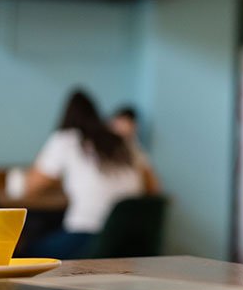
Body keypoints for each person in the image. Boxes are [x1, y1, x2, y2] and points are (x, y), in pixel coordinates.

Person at [21, 88, 160, 259]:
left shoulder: (67, 138)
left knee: (26, 251)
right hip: (132, 243)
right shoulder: (125, 141)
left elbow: (30, 187)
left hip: (88, 237)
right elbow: (154, 188)